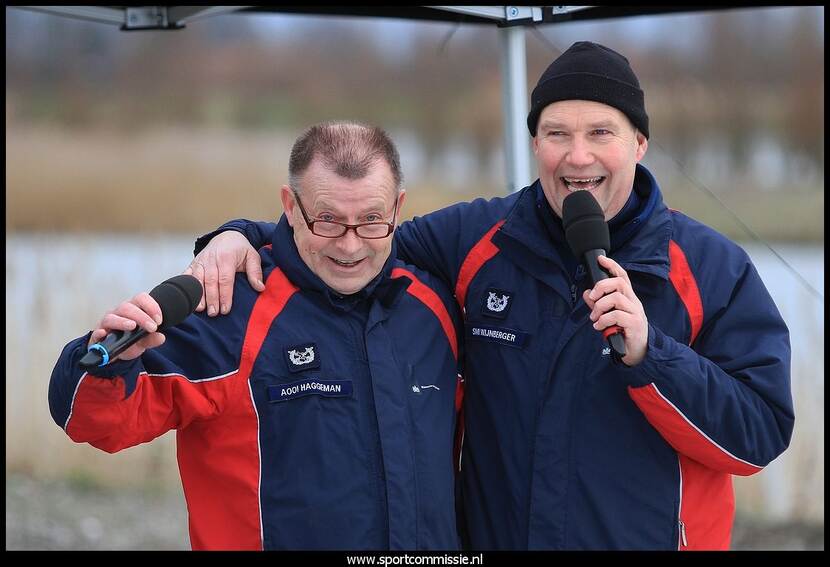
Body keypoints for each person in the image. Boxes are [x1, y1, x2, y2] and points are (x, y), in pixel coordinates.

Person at [187, 42, 794, 550]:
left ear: (639, 144)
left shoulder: (712, 268)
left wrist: (651, 356)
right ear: (536, 145)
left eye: (600, 132)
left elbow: (759, 436)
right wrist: (241, 235)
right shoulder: (476, 238)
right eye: (557, 133)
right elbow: (356, 241)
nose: (577, 156)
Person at [48, 122, 465, 551]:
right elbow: (91, 422)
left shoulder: (434, 308)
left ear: (398, 208)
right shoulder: (229, 307)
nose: (350, 245)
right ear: (290, 205)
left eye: (371, 220)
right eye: (328, 220)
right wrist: (109, 363)